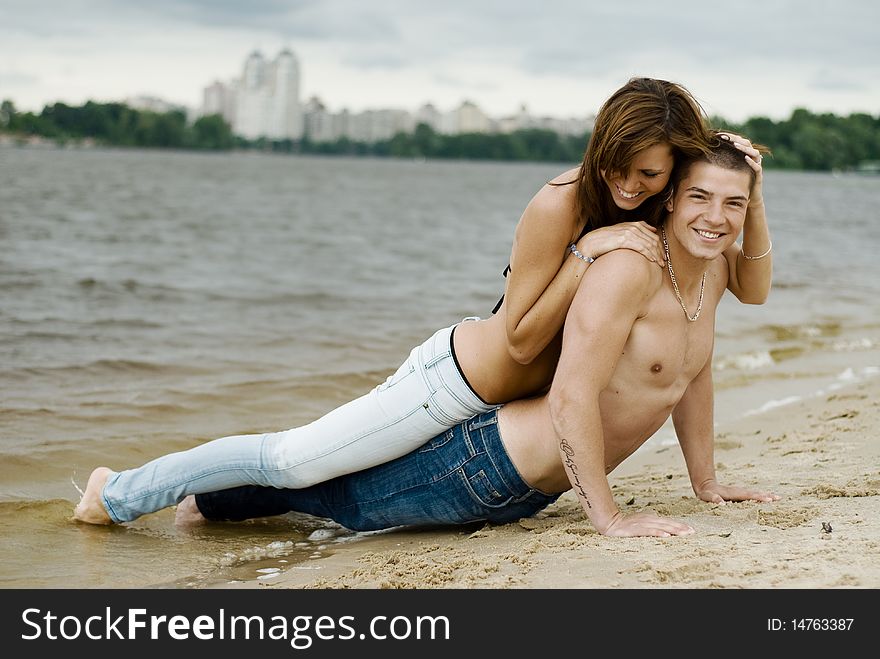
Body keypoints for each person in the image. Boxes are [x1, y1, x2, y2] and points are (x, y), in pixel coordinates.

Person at [73, 78, 772, 526]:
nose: (630, 183)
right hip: (454, 383)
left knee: (342, 482)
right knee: (292, 460)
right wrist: (587, 253)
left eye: (650, 175)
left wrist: (747, 180)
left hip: (508, 410)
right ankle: (117, 492)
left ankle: (210, 506)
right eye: (618, 167)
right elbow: (525, 340)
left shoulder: (656, 217)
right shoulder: (560, 205)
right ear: (599, 149)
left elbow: (743, 281)